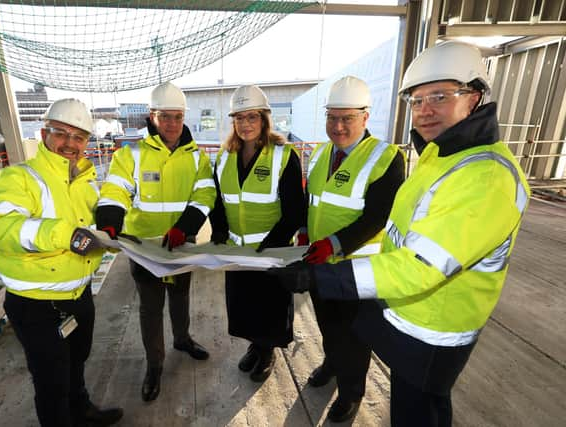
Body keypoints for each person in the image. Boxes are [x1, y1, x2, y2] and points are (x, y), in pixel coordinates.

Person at [272, 41, 530, 426]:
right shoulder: (437, 155)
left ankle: (351, 392)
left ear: (474, 97)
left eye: (440, 96)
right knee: (343, 342)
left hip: (423, 318)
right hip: (394, 300)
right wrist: (311, 238)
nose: (425, 110)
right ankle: (333, 365)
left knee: (401, 392)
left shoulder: (482, 174)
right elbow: (319, 201)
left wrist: (327, 261)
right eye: (417, 99)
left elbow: (398, 239)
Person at [0, 98, 124, 427]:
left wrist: (112, 241)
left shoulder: (85, 184)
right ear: (44, 133)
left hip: (78, 295)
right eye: (61, 133)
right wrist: (67, 235)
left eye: (78, 137)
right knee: (51, 382)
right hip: (36, 305)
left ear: (87, 143)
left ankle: (82, 410)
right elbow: (3, 229)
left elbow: (91, 235)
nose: (69, 144)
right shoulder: (18, 179)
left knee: (76, 363)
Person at [95, 82, 216, 402]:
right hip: (144, 246)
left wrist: (185, 227)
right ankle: (155, 364)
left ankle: (182, 339)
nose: (172, 123)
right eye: (165, 116)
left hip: (180, 243)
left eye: (177, 117)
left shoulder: (196, 157)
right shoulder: (131, 153)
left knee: (181, 296)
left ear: (183, 117)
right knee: (151, 307)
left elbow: (205, 194)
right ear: (152, 116)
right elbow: (116, 190)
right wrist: (109, 222)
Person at [300, 76, 405, 422]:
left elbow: (378, 216)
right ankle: (332, 364)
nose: (338, 126)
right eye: (332, 118)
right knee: (328, 324)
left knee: (354, 336)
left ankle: (351, 393)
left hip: (356, 268)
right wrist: (304, 230)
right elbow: (311, 200)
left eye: (347, 118)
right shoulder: (319, 153)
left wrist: (334, 244)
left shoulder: (385, 158)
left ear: (365, 117)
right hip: (320, 261)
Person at [208, 85, 305, 383]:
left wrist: (271, 246)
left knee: (269, 308)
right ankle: (255, 345)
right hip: (238, 251)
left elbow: (294, 210)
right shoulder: (224, 157)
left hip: (271, 251)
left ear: (264, 119)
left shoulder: (282, 156)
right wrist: (219, 231)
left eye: (252, 117)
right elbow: (217, 200)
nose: (245, 124)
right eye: (239, 118)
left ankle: (267, 353)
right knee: (245, 306)